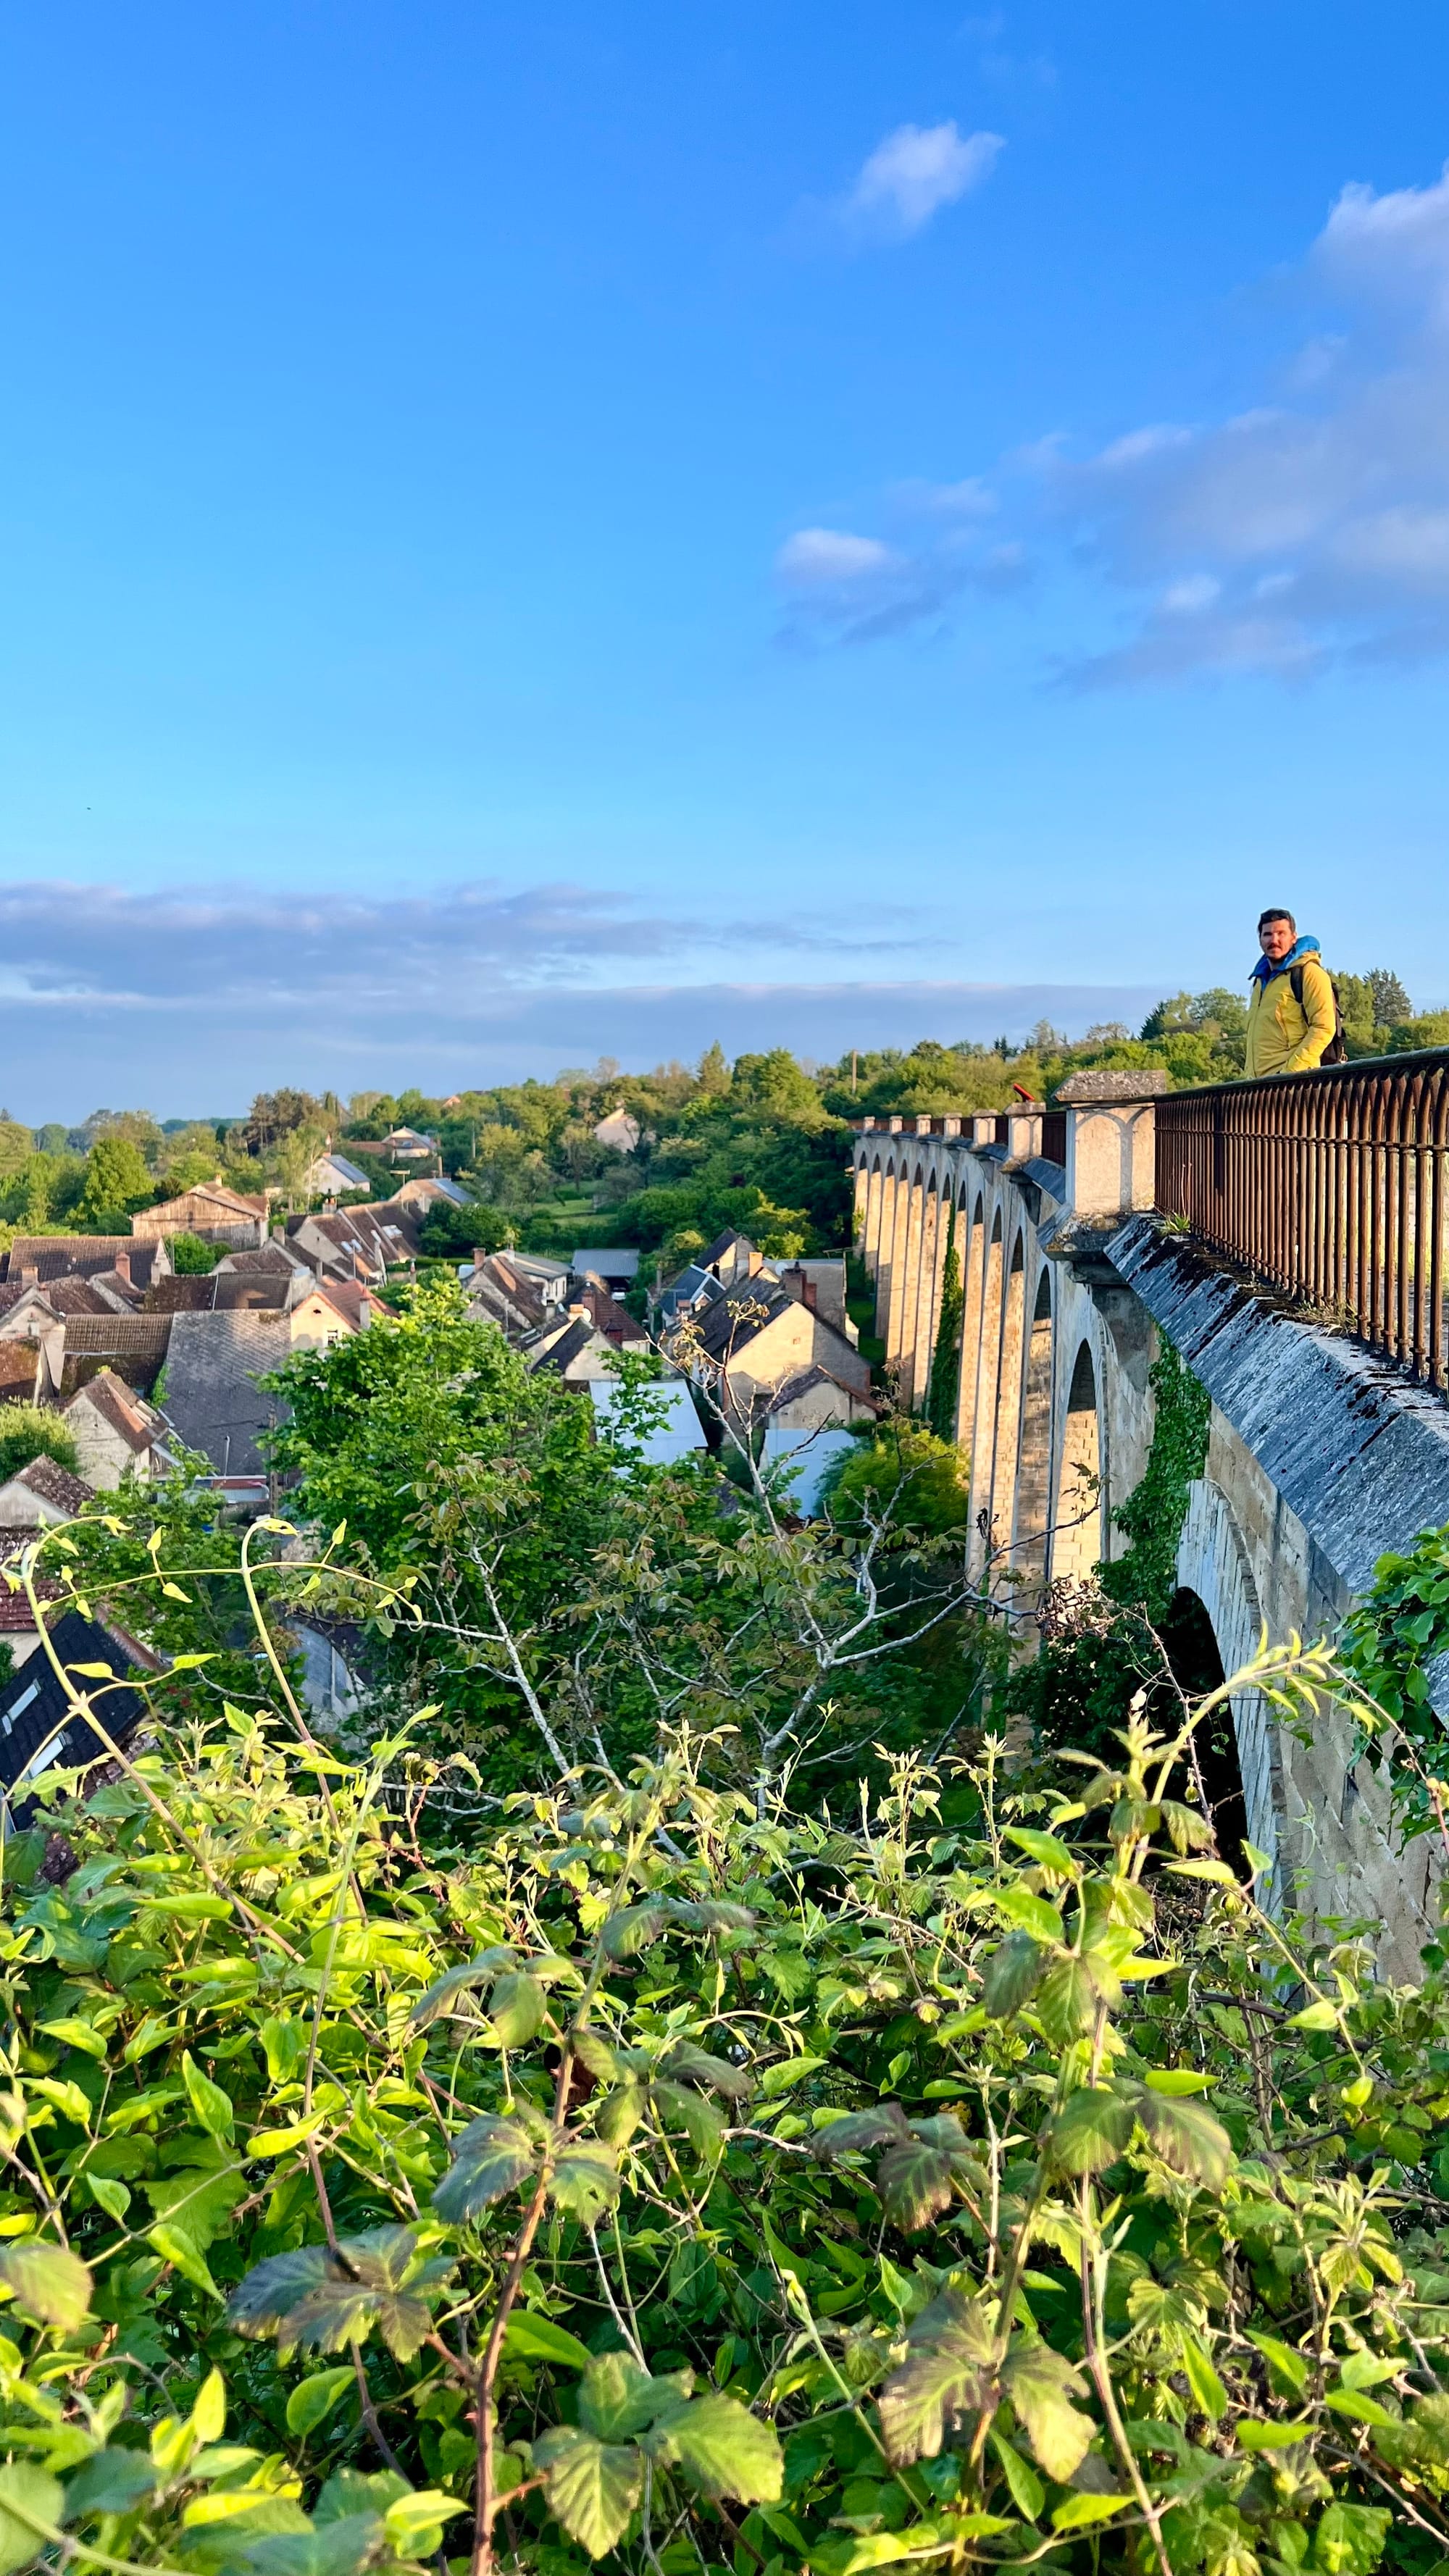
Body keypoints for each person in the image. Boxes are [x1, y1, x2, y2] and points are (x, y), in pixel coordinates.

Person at [1244, 908, 1338, 1078]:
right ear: (1260, 940)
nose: (1274, 940)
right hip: (1258, 1088)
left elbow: (1324, 1027)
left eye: (1281, 933)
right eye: (1267, 934)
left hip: (1295, 1087)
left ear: (1294, 938)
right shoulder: (1259, 982)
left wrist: (1291, 1072)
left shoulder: (1309, 973)